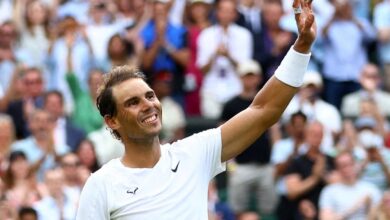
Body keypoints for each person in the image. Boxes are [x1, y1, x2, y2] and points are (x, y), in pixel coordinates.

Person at [76, 0, 316, 218]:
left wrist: (302, 47)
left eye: (150, 96)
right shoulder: (102, 184)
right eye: (133, 102)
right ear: (112, 121)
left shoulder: (194, 153)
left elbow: (264, 110)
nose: (148, 105)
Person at [220, 59, 276, 219]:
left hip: (265, 165)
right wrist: (231, 167)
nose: (250, 80)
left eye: (253, 76)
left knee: (268, 211)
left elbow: (274, 133)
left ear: (258, 78)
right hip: (240, 167)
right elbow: (222, 137)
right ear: (240, 78)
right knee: (237, 211)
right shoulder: (230, 105)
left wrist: (274, 163)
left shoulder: (267, 103)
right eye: (246, 76)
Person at [319, 151, 381, 220]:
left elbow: (380, 216)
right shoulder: (329, 191)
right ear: (337, 169)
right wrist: (356, 206)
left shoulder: (371, 189)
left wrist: (369, 206)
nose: (347, 169)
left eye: (350, 164)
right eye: (343, 166)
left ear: (354, 164)